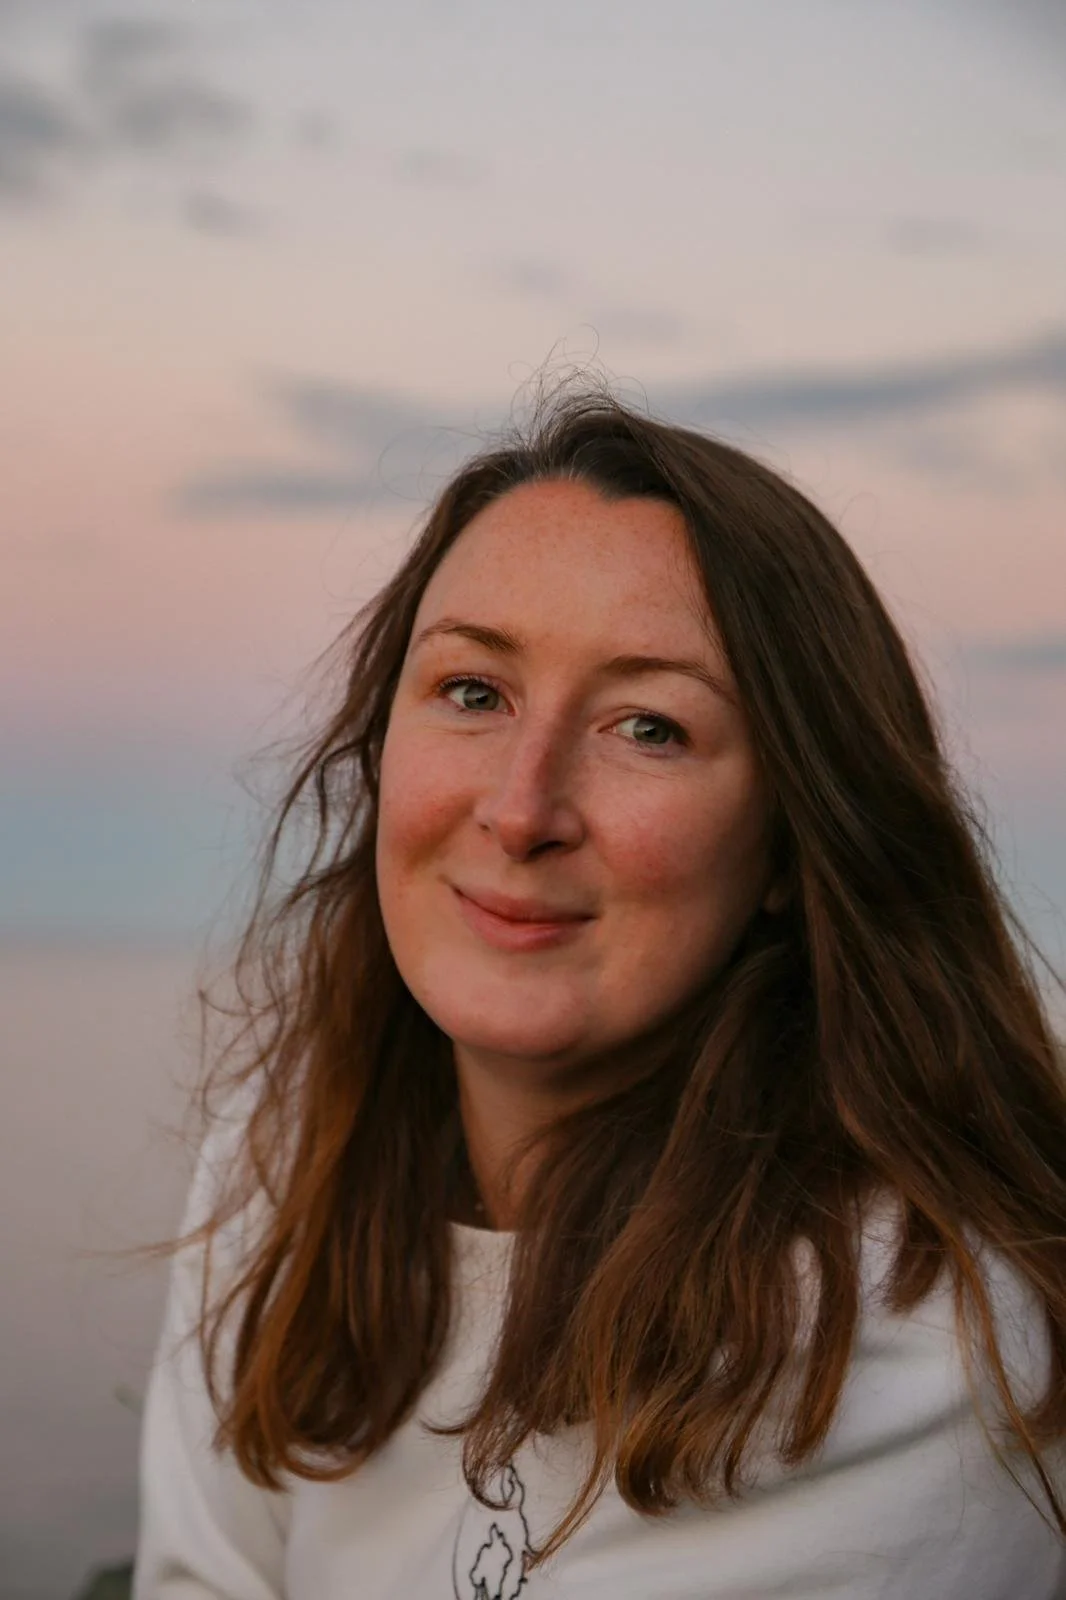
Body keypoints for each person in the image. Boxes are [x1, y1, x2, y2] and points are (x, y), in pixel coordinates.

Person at [133, 389, 1066, 1599]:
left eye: (648, 726)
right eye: (474, 692)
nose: (521, 808)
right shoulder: (280, 1164)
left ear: (792, 842)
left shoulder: (919, 1335)